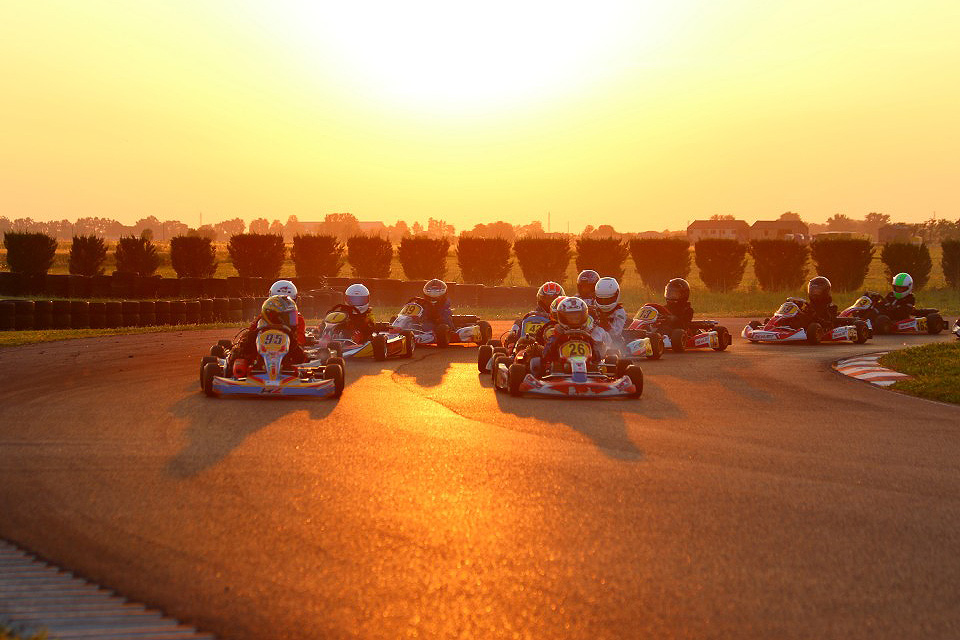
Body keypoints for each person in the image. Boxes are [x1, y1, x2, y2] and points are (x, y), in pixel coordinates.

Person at [229, 295, 307, 375]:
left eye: (292, 317)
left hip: (286, 370)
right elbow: (243, 351)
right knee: (239, 362)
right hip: (257, 368)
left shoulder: (289, 336)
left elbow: (300, 358)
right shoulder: (255, 334)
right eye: (288, 317)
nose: (291, 321)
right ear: (275, 317)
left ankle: (279, 369)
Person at [538, 297, 606, 375]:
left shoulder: (587, 336)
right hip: (559, 369)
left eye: (577, 317)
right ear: (561, 317)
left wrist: (598, 359)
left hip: (588, 369)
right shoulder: (556, 335)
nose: (574, 320)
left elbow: (597, 357)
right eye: (570, 317)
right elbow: (545, 356)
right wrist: (556, 343)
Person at [504, 281, 564, 348]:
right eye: (547, 299)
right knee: (518, 322)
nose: (550, 303)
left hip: (551, 346)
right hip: (527, 344)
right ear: (540, 300)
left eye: (553, 300)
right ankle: (513, 347)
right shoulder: (532, 317)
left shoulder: (563, 319)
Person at [268, 279, 307, 345]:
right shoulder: (264, 317)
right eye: (279, 302)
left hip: (288, 349)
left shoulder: (297, 319)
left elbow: (300, 341)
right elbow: (250, 337)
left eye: (286, 302)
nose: (282, 305)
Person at [592, 277, 628, 341]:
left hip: (614, 343)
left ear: (616, 295)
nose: (604, 302)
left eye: (607, 300)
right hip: (594, 340)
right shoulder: (593, 308)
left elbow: (616, 333)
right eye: (601, 299)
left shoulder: (619, 311)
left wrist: (604, 323)